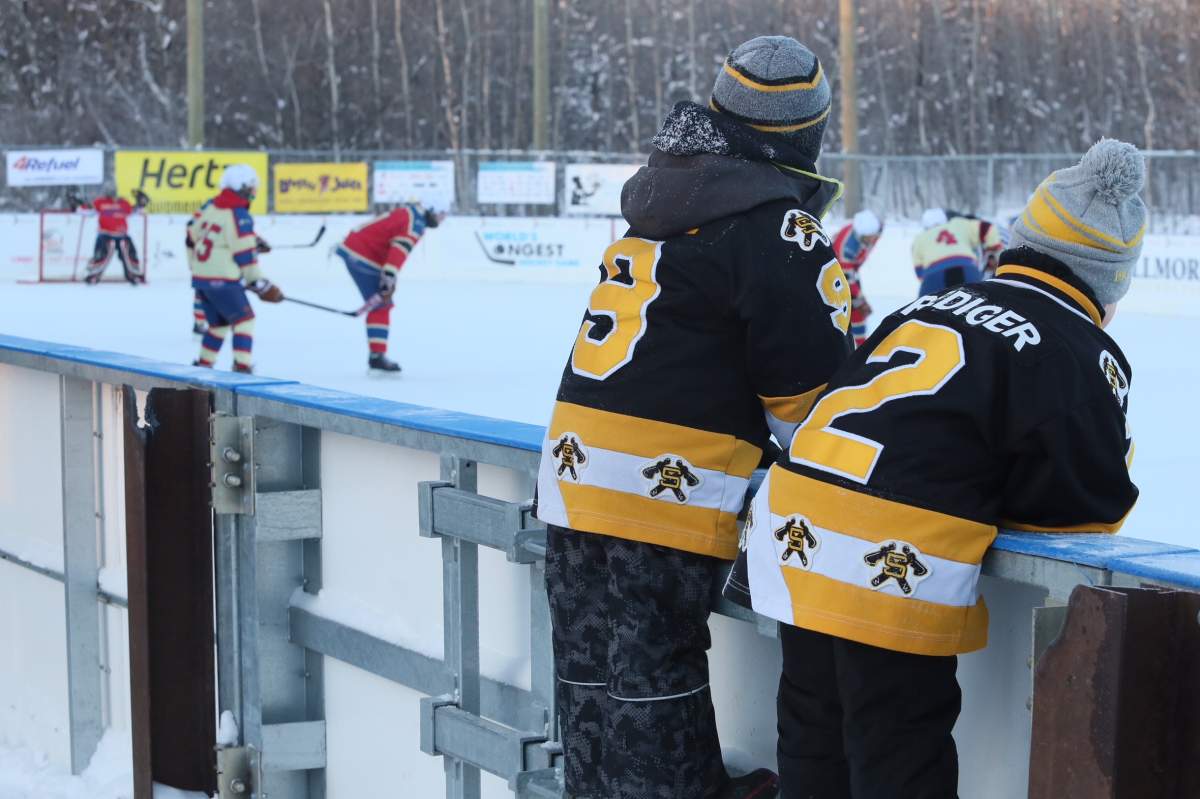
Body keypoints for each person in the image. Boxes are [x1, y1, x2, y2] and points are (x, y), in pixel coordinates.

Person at [724, 138, 1144, 799]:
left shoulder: (925, 305)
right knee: (898, 755)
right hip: (887, 554)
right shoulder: (1077, 348)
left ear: (1016, 244)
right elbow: (1083, 507)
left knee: (815, 743)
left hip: (792, 527)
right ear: (1107, 281)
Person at [534, 36, 853, 799]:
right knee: (656, 663)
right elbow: (811, 407)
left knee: (585, 667)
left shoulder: (657, 202)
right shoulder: (779, 228)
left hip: (573, 467)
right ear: (805, 134)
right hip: (665, 481)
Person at [188, 164, 283, 373]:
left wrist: (252, 240)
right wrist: (260, 283)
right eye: (251, 188)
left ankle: (203, 367)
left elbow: (192, 234)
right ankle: (242, 369)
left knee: (219, 325)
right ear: (242, 188)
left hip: (202, 279)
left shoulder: (211, 207)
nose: (253, 193)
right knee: (245, 320)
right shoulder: (239, 213)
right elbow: (245, 256)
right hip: (222, 280)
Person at [335, 203, 441, 374]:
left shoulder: (411, 213)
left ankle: (377, 355)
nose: (442, 219)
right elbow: (398, 250)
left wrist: (389, 276)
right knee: (381, 305)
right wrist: (389, 277)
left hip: (357, 249)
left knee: (382, 303)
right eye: (442, 213)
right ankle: (377, 357)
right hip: (362, 254)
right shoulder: (417, 223)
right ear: (432, 210)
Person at [910, 207, 1003, 296]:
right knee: (976, 303)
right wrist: (992, 252)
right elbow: (987, 228)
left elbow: (919, 273)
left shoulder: (918, 239)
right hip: (966, 267)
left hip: (933, 274)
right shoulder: (959, 224)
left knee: (925, 311)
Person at [72, 185, 149, 284]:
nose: (113, 195)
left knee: (130, 253)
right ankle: (92, 275)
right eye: (110, 192)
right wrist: (77, 205)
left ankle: (134, 274)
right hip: (105, 234)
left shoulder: (123, 203)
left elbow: (133, 211)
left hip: (122, 234)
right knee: (101, 255)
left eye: (114, 192)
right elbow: (89, 211)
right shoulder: (101, 202)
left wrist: (141, 203)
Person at [831, 209, 884, 346]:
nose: (872, 240)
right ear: (860, 236)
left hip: (850, 270)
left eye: (874, 236)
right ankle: (858, 346)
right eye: (868, 238)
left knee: (856, 309)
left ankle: (859, 343)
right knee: (853, 309)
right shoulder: (847, 248)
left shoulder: (873, 229)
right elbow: (848, 280)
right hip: (837, 272)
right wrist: (861, 300)